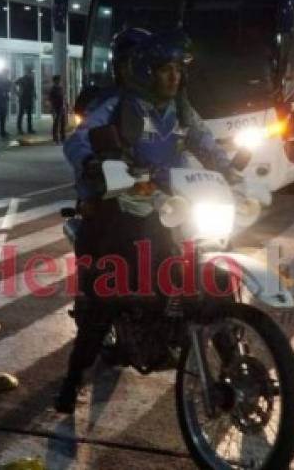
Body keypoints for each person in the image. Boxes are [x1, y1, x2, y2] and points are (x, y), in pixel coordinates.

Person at [56, 29, 237, 413]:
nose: (172, 76)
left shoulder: (181, 109)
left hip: (173, 203)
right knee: (109, 289)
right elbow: (79, 139)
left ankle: (235, 363)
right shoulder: (110, 105)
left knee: (215, 274)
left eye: (176, 69)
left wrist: (231, 170)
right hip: (118, 203)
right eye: (162, 68)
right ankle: (72, 381)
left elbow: (206, 142)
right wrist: (93, 162)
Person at [15, 67, 36, 135]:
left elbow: (33, 88)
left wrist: (34, 95)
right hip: (23, 99)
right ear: (27, 72)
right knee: (21, 114)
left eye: (31, 73)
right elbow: (14, 84)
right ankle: (19, 129)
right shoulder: (22, 79)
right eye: (29, 72)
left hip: (29, 98)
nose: (30, 74)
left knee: (29, 115)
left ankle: (29, 128)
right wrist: (18, 93)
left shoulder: (31, 79)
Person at [0, 68, 12, 140]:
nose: (6, 75)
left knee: (3, 118)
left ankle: (2, 131)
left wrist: (7, 90)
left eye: (7, 74)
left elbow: (8, 89)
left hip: (4, 102)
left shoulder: (6, 81)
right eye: (5, 74)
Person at [49, 74, 66, 143]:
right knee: (56, 123)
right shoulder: (53, 89)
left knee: (62, 123)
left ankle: (63, 137)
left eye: (59, 80)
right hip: (56, 107)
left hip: (61, 107)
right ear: (55, 81)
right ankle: (56, 138)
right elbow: (51, 99)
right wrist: (52, 108)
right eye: (58, 80)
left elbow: (63, 97)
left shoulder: (60, 88)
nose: (59, 81)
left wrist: (65, 105)